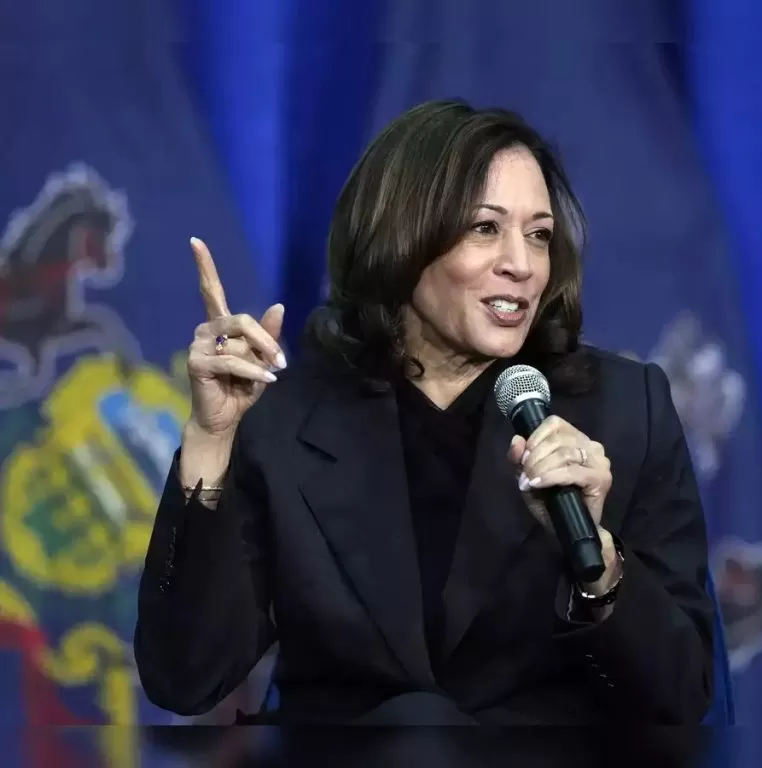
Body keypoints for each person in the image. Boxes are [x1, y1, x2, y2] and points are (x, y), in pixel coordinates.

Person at [134, 99, 714, 726]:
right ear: (400, 238)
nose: (521, 265)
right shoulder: (288, 423)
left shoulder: (624, 412)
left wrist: (598, 564)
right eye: (485, 228)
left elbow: (682, 697)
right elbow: (184, 677)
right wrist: (211, 439)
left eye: (539, 235)